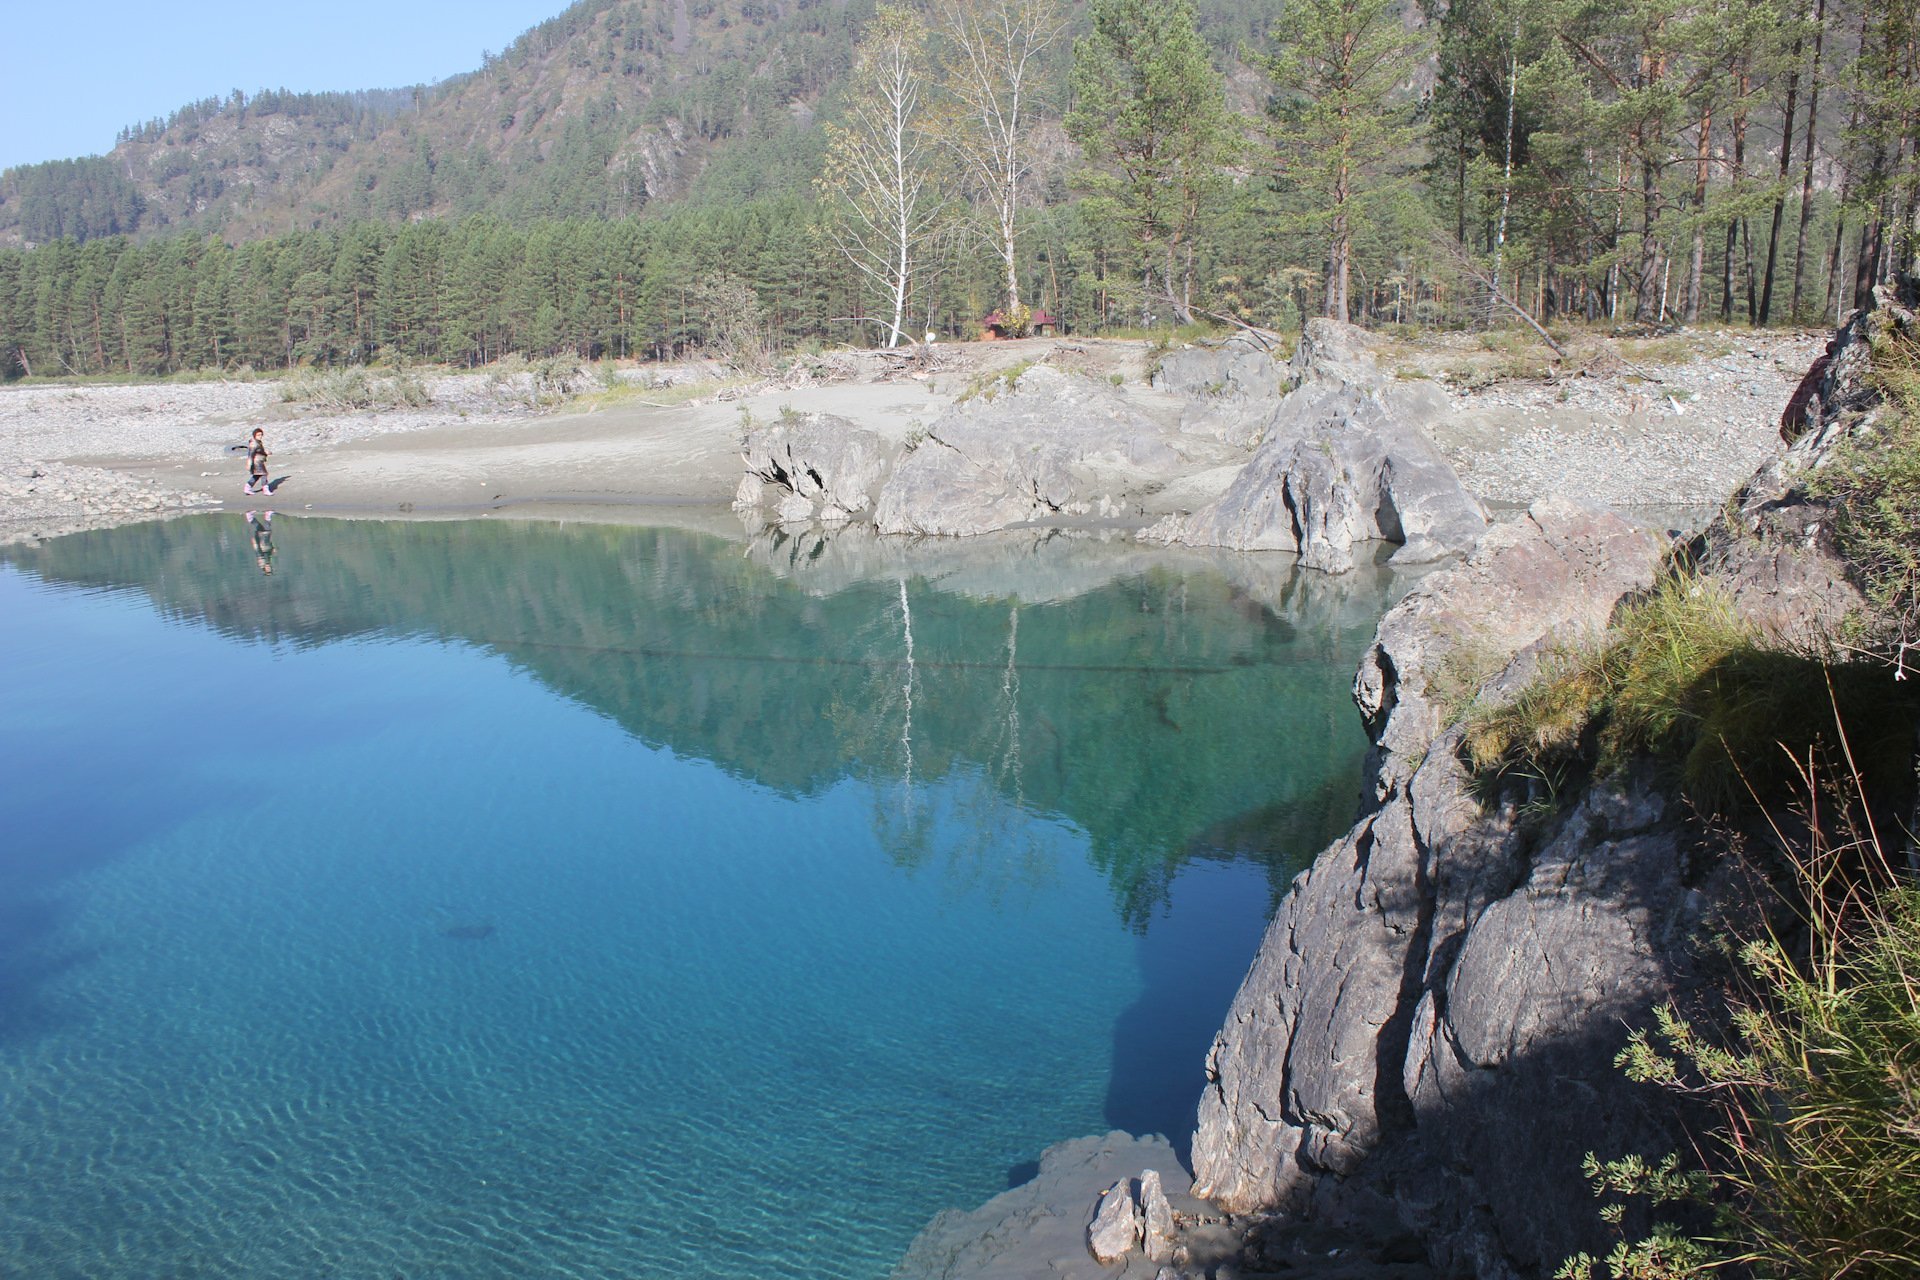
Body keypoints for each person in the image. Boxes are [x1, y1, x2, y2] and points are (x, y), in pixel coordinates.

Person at [246, 509, 275, 574]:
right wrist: (273, 549)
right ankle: (250, 516)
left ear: (265, 569)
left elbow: (259, 551)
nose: (269, 567)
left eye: (268, 569)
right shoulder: (267, 561)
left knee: (266, 530)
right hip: (265, 542)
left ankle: (267, 514)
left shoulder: (262, 562)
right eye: (270, 568)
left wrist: (257, 541)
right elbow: (268, 553)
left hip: (262, 542)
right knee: (260, 527)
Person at [244, 428, 270, 495]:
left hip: (259, 461)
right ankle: (266, 489)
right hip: (256, 462)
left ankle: (247, 487)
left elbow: (259, 451)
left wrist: (266, 452)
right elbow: (251, 454)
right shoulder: (254, 443)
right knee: (264, 474)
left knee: (257, 475)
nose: (260, 436)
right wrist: (249, 463)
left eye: (261, 435)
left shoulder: (258, 442)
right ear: (254, 435)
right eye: (258, 435)